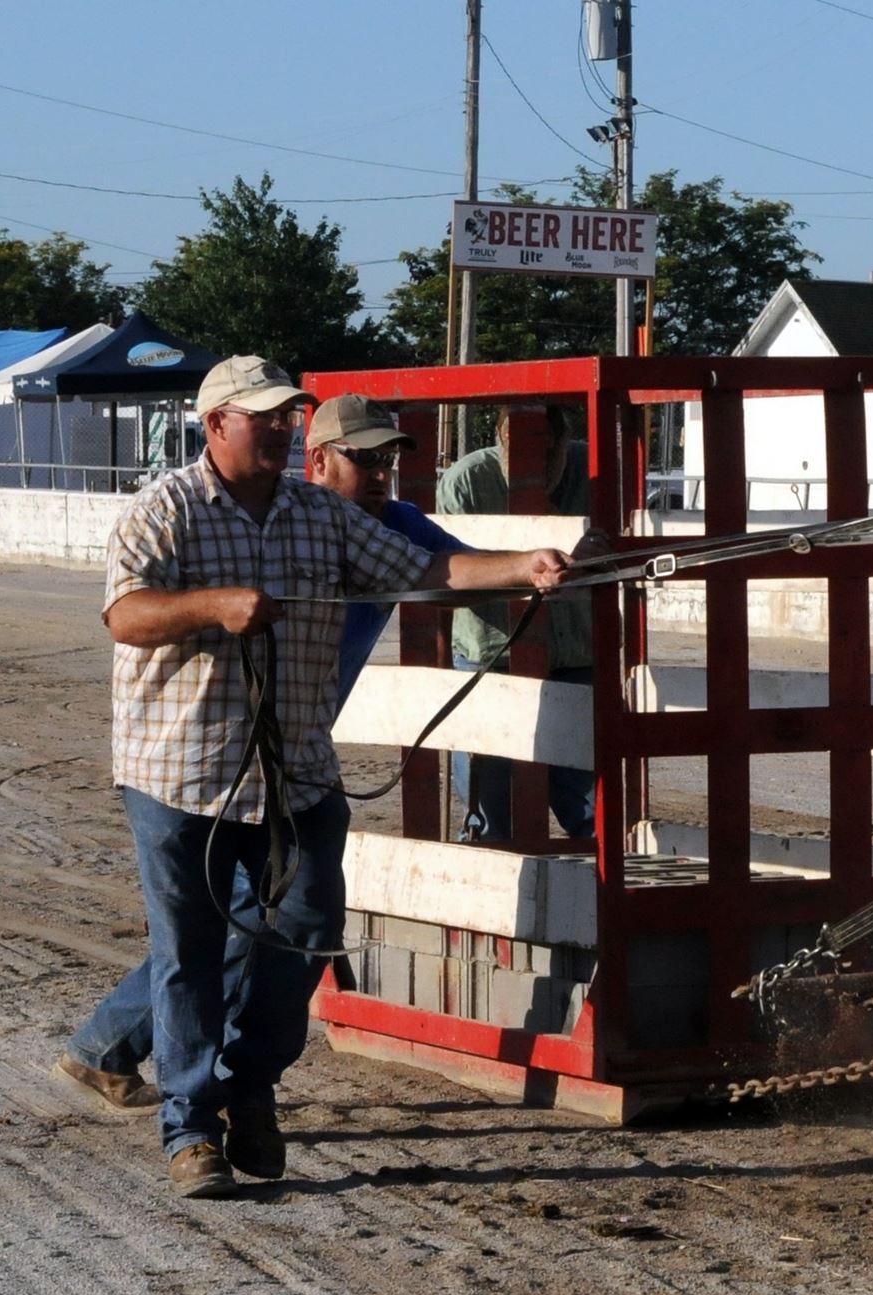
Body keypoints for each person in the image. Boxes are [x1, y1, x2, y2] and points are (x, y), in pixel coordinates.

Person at [86, 356, 571, 1198]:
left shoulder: (322, 517)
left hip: (297, 772)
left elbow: (424, 569)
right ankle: (191, 1131)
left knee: (306, 931)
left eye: (289, 415)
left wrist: (521, 564)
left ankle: (251, 1086)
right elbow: (127, 615)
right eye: (267, 416)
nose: (283, 426)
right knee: (190, 956)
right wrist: (214, 605)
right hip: (180, 775)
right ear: (217, 425)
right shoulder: (161, 510)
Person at [54, 394, 477, 1127]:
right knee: (221, 927)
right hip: (203, 753)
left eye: (389, 460)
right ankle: (172, 1083)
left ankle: (133, 1052)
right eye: (362, 458)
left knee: (280, 922)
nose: (380, 474)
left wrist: (553, 566)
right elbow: (126, 613)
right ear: (318, 462)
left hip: (296, 754)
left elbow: (452, 568)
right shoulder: (214, 511)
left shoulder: (384, 525)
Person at [437, 406, 597, 842]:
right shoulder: (467, 481)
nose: (536, 459)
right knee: (493, 814)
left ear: (562, 440)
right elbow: (447, 568)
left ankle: (593, 902)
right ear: (500, 437)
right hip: (495, 655)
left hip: (574, 654)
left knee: (593, 810)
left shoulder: (591, 467)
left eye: (548, 446)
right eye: (520, 443)